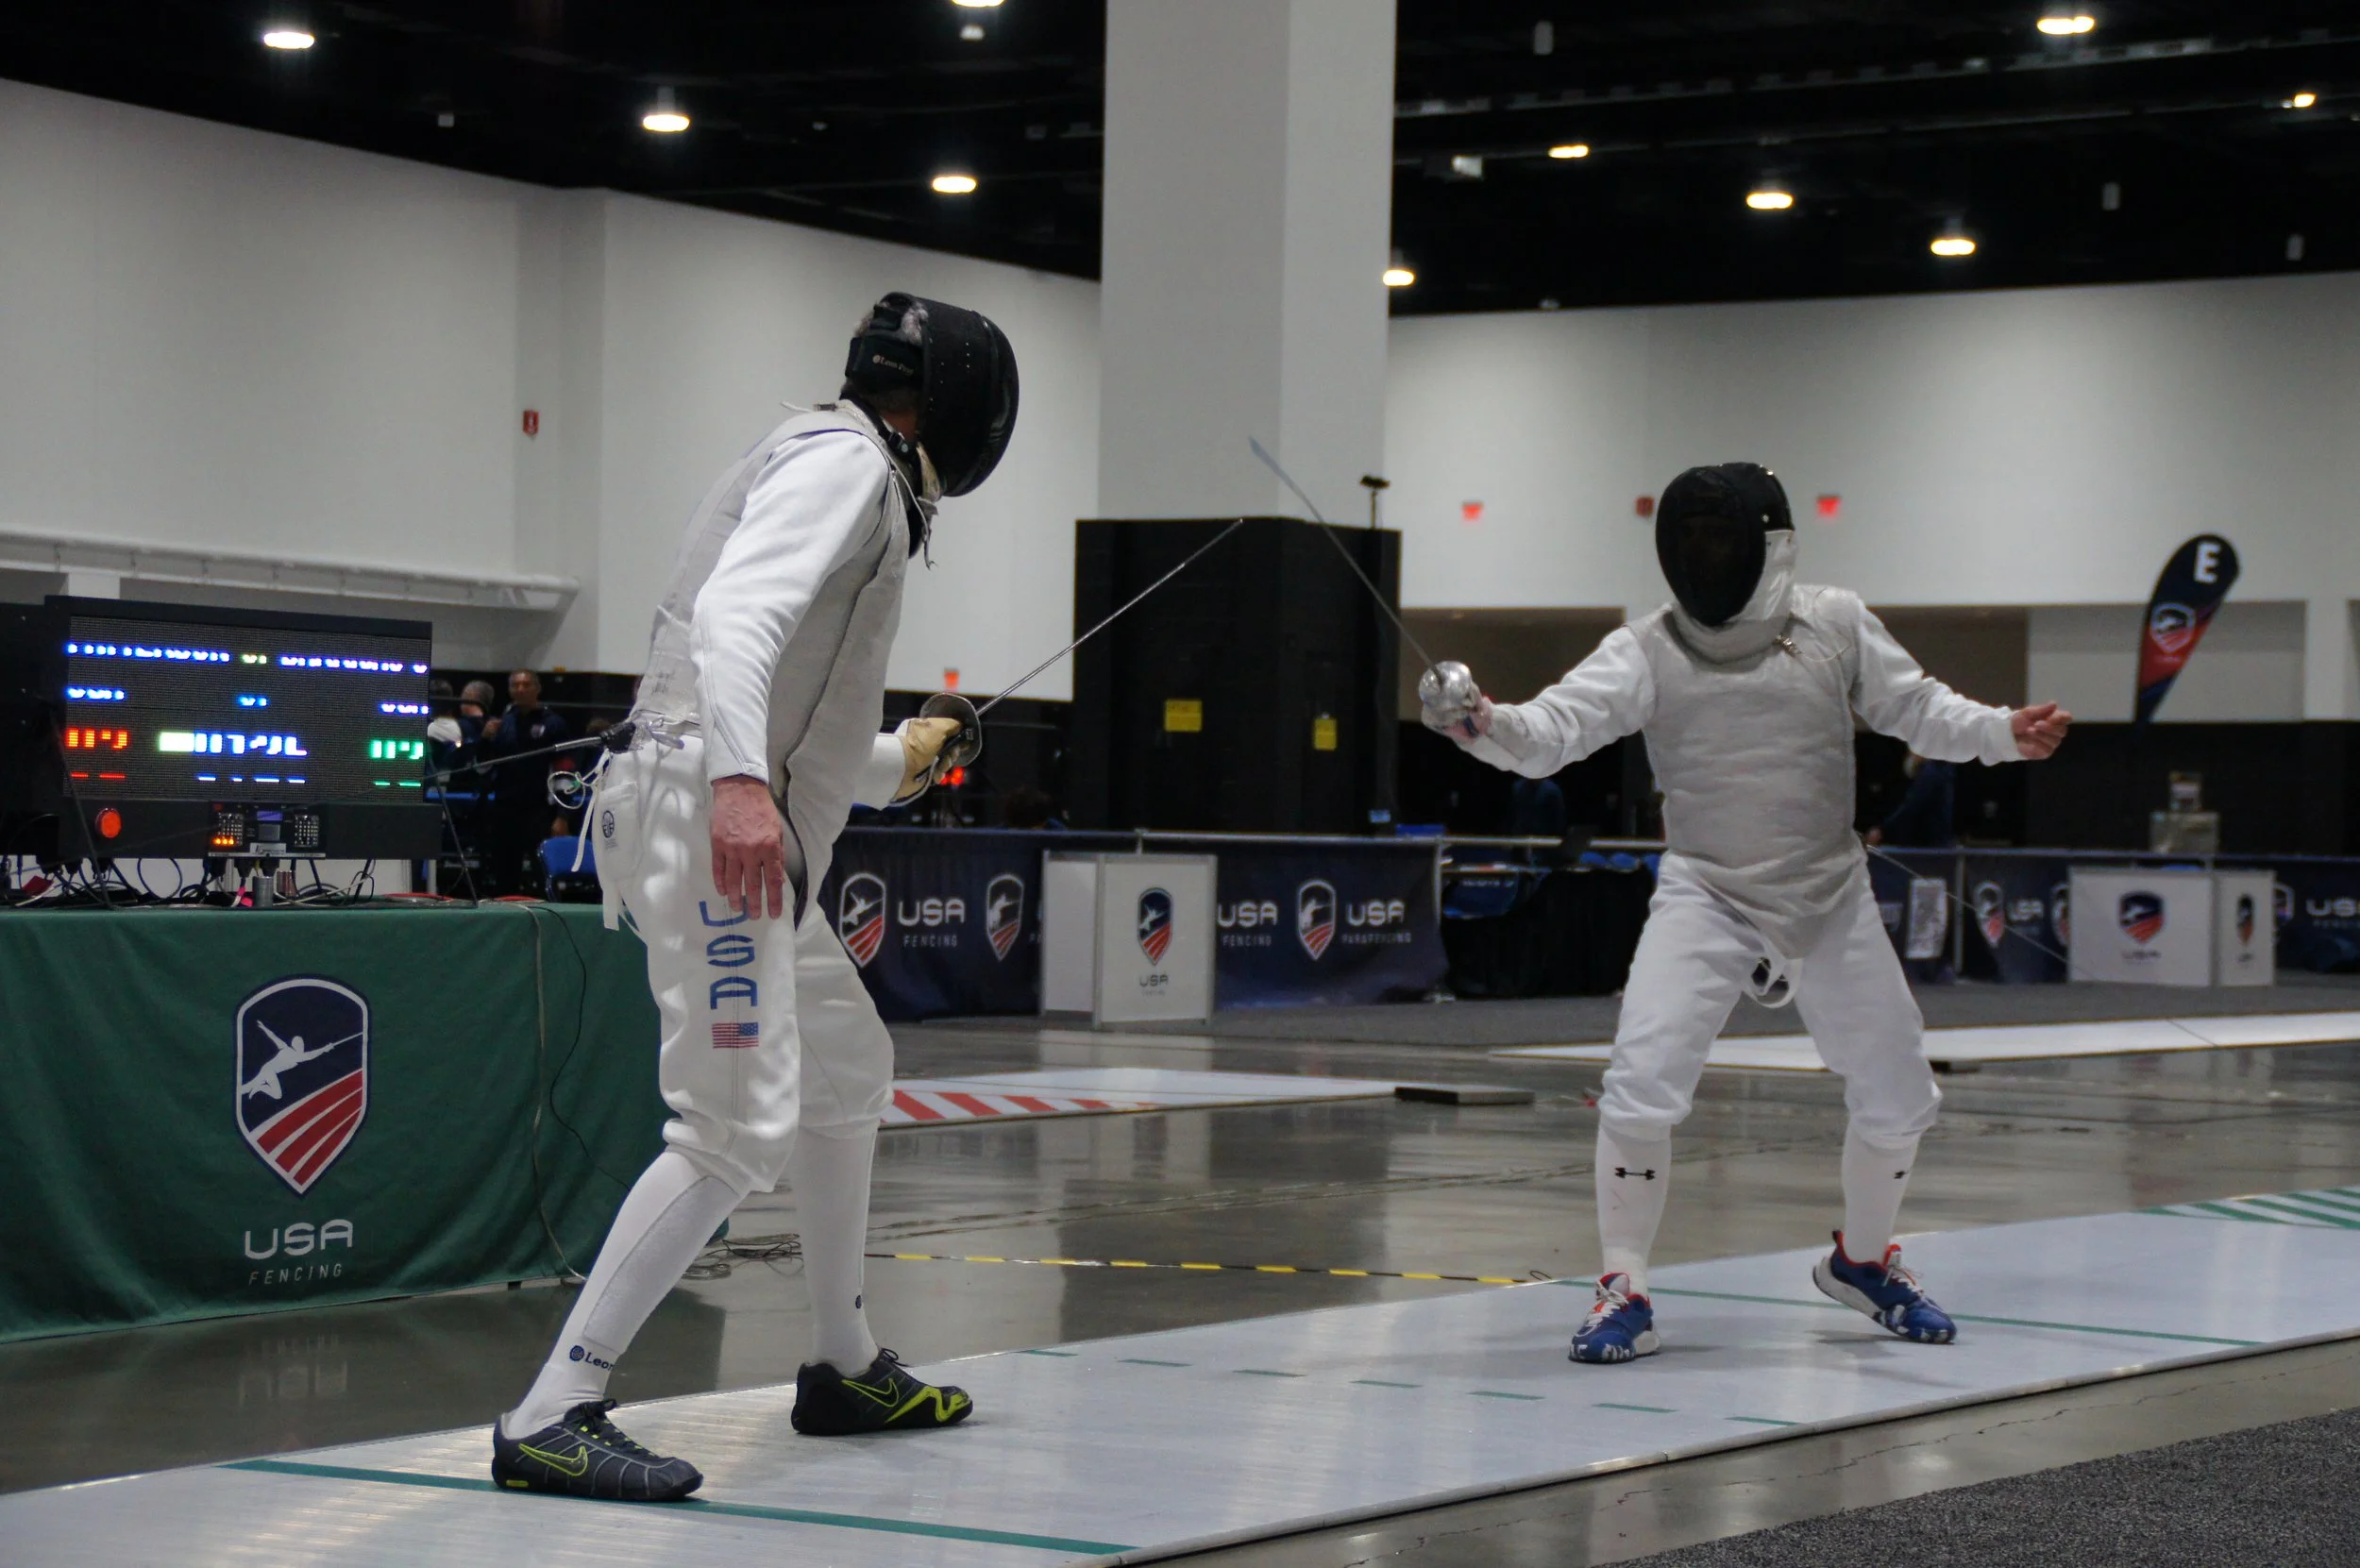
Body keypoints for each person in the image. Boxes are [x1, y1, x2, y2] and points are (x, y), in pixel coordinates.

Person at [491, 292, 1018, 1502]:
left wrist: (908, 755)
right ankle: (556, 1406)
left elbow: (802, 731)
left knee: (847, 1066)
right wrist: (737, 787)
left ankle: (840, 1359)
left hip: (712, 804)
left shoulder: (838, 468)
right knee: (731, 1126)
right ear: (957, 403)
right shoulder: (847, 465)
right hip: (716, 824)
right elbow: (736, 625)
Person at [1421, 463, 2070, 1365]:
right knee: (1641, 1081)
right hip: (1706, 891)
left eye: (1721, 541)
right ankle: (1623, 1284)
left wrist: (2001, 733)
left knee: (1898, 1093)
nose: (1704, 557)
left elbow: (1915, 707)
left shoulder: (1835, 622)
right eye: (1689, 540)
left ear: (1771, 546)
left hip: (1826, 890)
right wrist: (1481, 722)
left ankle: (1863, 1260)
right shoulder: (1647, 647)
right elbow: (1553, 733)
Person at [480, 670, 571, 894]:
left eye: (526, 684)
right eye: (515, 685)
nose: (521, 689)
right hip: (505, 809)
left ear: (537, 688)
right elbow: (483, 766)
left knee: (543, 872)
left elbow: (565, 773)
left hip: (539, 810)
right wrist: (484, 739)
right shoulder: (502, 724)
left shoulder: (554, 724)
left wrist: (562, 816)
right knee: (504, 873)